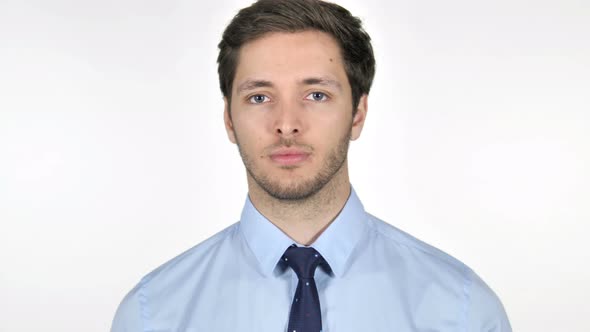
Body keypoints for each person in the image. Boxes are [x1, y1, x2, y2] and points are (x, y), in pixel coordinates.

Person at [111, 0, 512, 331]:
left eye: (316, 94)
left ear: (357, 114)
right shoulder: (152, 315)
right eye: (259, 97)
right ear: (229, 120)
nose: (286, 123)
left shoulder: (462, 312)